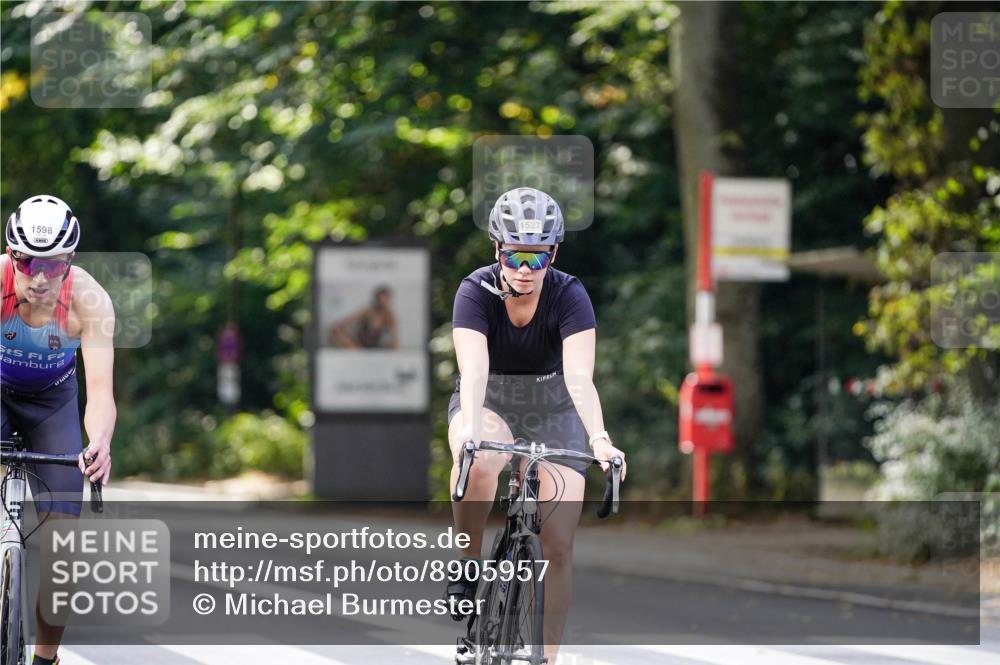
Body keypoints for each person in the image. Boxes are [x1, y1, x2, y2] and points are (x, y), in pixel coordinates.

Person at [446, 186, 627, 662]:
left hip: (555, 408)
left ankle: (546, 657)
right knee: (483, 460)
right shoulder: (475, 290)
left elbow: (579, 378)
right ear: (497, 250)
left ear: (554, 255)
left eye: (538, 258)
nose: (525, 271)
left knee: (559, 544)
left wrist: (600, 439)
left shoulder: (569, 295)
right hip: (491, 400)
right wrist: (468, 430)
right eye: (515, 257)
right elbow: (474, 370)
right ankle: (467, 562)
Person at [1, 194, 116, 665]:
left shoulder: (90, 301)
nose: (41, 277)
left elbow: (102, 393)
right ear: (12, 256)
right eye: (28, 262)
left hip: (54, 406)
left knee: (64, 552)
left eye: (54, 264)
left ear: (70, 259)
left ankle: (45, 658)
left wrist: (100, 443)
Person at [328, 285, 399, 349]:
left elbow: (394, 338)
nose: (382, 302)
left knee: (394, 345)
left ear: (388, 300)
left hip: (375, 348)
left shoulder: (389, 316)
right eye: (380, 299)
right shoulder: (367, 311)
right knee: (336, 330)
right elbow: (345, 321)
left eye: (385, 300)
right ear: (376, 299)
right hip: (358, 346)